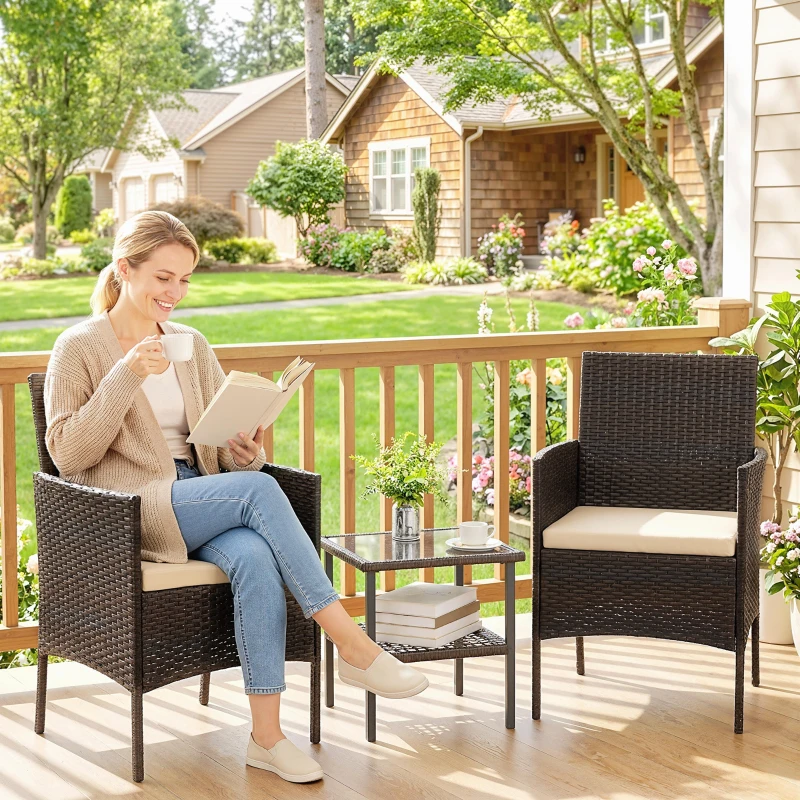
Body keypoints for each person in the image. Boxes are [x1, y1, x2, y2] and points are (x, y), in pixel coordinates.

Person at [43, 210, 428, 784]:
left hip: (201, 492)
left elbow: (209, 441)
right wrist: (125, 375)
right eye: (163, 278)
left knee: (253, 553)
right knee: (257, 493)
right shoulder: (78, 348)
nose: (175, 293)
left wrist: (241, 454)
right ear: (125, 270)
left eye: (185, 280)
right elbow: (68, 455)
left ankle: (266, 738)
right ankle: (352, 645)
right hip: (130, 509)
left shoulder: (190, 345)